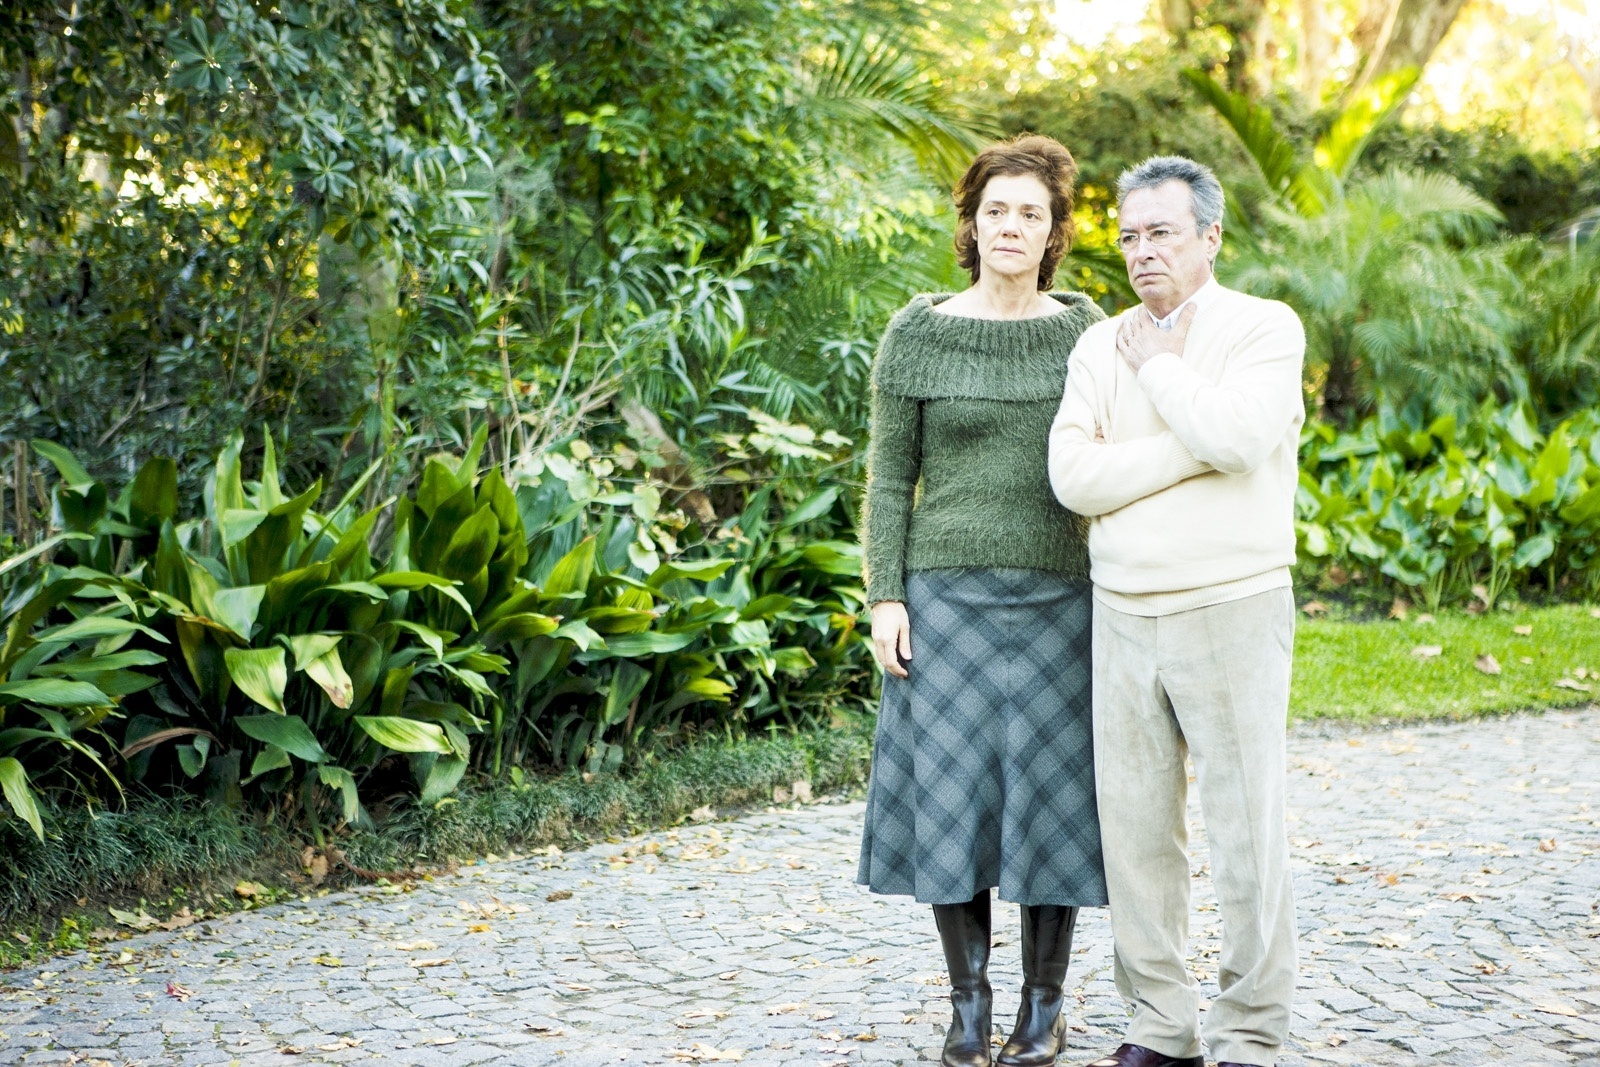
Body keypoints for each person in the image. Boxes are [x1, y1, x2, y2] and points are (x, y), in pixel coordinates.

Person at [1046, 155, 1305, 1067]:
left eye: (1161, 232)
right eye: (1128, 235)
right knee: (1136, 833)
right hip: (1121, 613)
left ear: (1210, 237)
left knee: (1245, 831)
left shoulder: (1262, 329)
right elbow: (1073, 477)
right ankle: (1161, 1026)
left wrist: (1163, 383)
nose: (1141, 251)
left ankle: (1250, 1032)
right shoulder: (1095, 343)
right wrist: (1192, 448)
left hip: (1231, 606)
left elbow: (1239, 436)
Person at [856, 134, 1108, 1067]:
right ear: (972, 222)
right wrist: (886, 596)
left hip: (1060, 601)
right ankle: (969, 1003)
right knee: (950, 794)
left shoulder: (1088, 331)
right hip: (945, 599)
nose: (1012, 226)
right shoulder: (917, 331)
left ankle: (1045, 1008)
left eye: (1030, 214)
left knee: (1054, 801)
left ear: (1054, 233)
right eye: (996, 210)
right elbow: (890, 482)